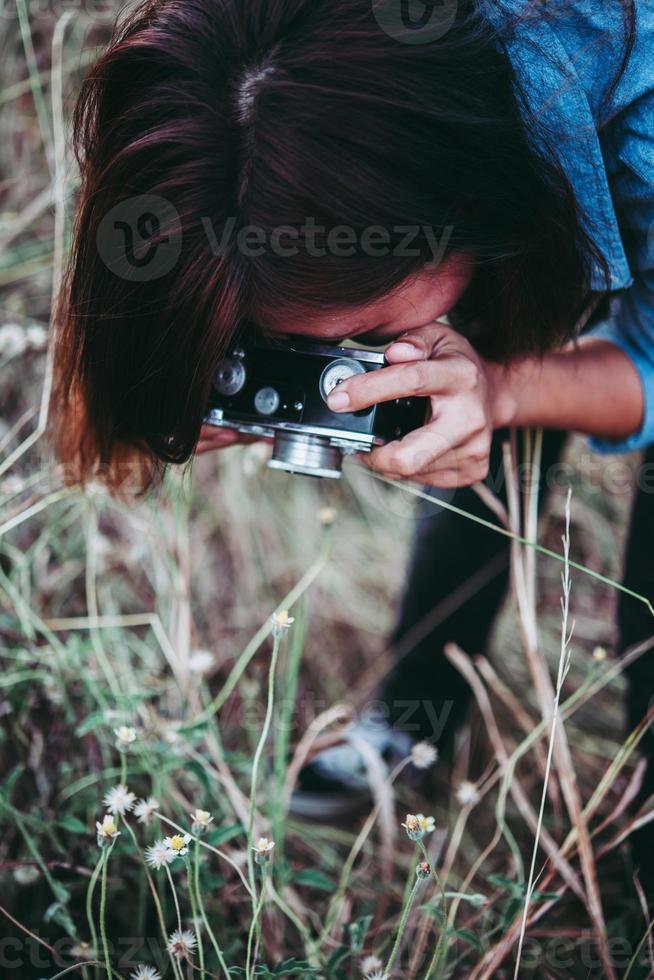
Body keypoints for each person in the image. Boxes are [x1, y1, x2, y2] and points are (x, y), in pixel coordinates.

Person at [53, 0, 654, 893]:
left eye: (366, 328)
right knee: (442, 401)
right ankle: (408, 731)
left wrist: (502, 389)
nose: (358, 362)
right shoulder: (280, 63)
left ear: (465, 196)